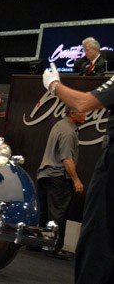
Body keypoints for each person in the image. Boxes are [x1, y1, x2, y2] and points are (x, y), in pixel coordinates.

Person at [43, 63, 114, 283]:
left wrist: (54, 84)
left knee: (99, 234)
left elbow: (83, 102)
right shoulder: (66, 130)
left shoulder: (63, 127)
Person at [36, 107, 85, 259]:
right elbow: (67, 160)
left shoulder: (58, 125)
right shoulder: (68, 132)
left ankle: (37, 242)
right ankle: (53, 246)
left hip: (45, 174)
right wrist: (76, 180)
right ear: (72, 114)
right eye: (82, 112)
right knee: (57, 213)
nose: (86, 115)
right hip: (58, 176)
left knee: (43, 212)